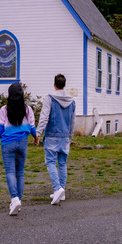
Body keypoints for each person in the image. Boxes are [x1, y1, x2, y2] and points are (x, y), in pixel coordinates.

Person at [0, 82, 38, 215]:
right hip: (23, 143)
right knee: (20, 173)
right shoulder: (28, 109)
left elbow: (1, 128)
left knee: (10, 172)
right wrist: (35, 137)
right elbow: (31, 127)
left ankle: (14, 199)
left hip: (7, 144)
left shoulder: (4, 110)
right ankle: (18, 200)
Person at [36, 74, 75, 205]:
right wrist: (70, 136)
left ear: (54, 84)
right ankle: (61, 192)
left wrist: (38, 132)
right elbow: (72, 121)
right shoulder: (72, 101)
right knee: (62, 164)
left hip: (52, 135)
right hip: (64, 136)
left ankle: (57, 189)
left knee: (51, 163)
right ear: (64, 85)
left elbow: (44, 117)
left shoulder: (50, 98)